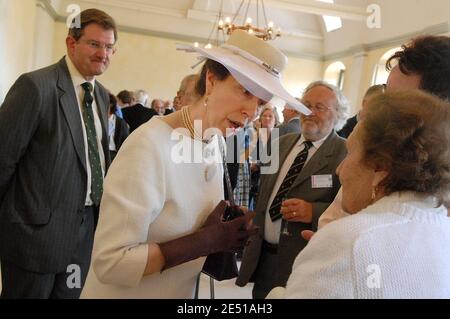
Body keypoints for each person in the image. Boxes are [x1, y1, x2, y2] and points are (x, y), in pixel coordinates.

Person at [80, 29, 309, 299]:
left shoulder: (216, 142)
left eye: (261, 102)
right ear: (211, 81)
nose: (252, 112)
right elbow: (111, 263)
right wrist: (202, 242)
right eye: (245, 91)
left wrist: (221, 226)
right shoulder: (148, 146)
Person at [283, 91, 450, 298]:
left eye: (351, 152)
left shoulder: (348, 240)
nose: (340, 169)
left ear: (380, 167)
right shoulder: (442, 231)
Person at [0, 8, 117, 298]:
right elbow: (3, 159)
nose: (103, 53)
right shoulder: (36, 87)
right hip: (33, 239)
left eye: (109, 47)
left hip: (84, 235)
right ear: (71, 43)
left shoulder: (101, 94)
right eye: (94, 44)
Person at [318, 35, 450, 230]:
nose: (383, 109)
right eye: (385, 95)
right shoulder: (379, 152)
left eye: (397, 101)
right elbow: (332, 218)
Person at [237, 81, 349, 299]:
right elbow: (265, 192)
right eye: (306, 105)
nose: (310, 112)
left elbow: (352, 210)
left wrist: (313, 212)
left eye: (319, 107)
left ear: (338, 114)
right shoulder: (281, 142)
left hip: (305, 262)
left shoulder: (345, 152)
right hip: (264, 258)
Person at [108, 93, 129, 161]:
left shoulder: (120, 123)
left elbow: (125, 142)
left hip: (114, 154)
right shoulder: (98, 120)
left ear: (111, 105)